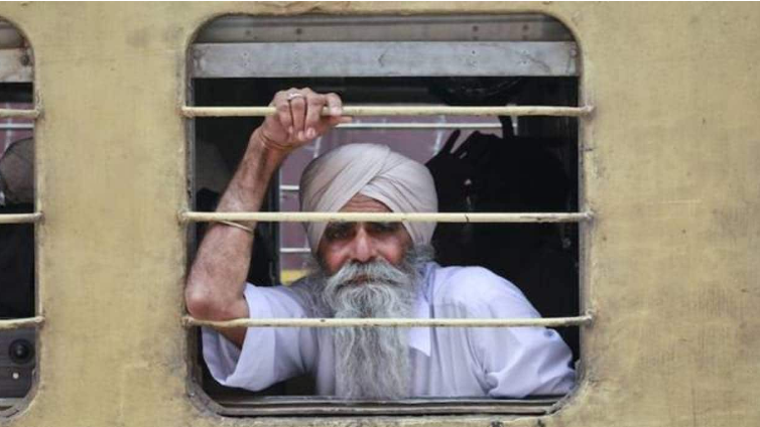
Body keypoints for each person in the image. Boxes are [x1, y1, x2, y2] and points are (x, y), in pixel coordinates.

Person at [185, 88, 576, 399]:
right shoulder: (318, 306)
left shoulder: (475, 300)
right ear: (318, 248)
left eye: (383, 228)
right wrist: (265, 149)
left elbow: (561, 413)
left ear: (416, 239)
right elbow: (210, 300)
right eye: (338, 233)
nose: (362, 251)